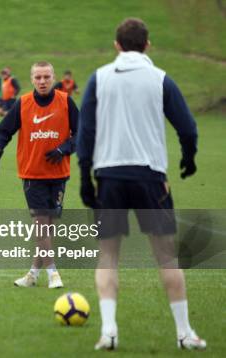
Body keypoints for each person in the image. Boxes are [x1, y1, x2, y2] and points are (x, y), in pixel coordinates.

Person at [77, 18, 206, 351]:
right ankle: (184, 333)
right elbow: (188, 129)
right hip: (150, 178)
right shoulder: (161, 78)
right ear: (148, 44)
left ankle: (109, 332)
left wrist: (84, 176)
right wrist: (188, 158)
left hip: (109, 178)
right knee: (166, 258)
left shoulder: (99, 78)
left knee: (107, 257)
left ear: (117, 45)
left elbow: (86, 132)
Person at [0, 61, 78, 289]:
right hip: (32, 175)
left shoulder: (66, 102)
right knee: (41, 225)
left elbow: (83, 133)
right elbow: (4, 131)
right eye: (38, 77)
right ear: (32, 79)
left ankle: (32, 274)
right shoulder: (23, 103)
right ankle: (53, 273)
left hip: (58, 174)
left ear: (53, 77)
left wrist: (63, 149)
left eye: (46, 77)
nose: (42, 81)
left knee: (48, 227)